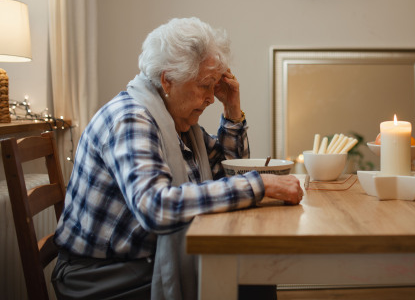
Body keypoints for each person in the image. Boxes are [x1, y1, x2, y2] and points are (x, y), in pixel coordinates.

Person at [52, 17, 303, 300]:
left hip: (139, 260)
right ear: (167, 80)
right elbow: (156, 207)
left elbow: (227, 174)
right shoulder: (131, 119)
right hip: (100, 275)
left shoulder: (178, 125)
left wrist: (232, 109)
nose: (211, 98)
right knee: (248, 279)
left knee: (251, 273)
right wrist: (260, 185)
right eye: (205, 85)